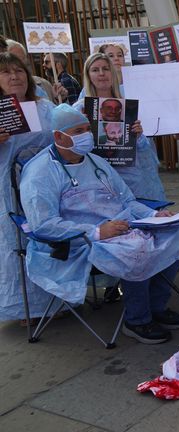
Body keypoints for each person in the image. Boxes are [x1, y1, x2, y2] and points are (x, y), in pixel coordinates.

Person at [19, 104, 179, 344]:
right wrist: (98, 232)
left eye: (88, 129)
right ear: (59, 136)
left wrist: (154, 216)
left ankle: (156, 306)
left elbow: (128, 200)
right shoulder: (40, 172)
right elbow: (43, 224)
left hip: (121, 227)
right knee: (136, 250)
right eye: (79, 131)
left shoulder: (96, 162)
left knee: (175, 235)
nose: (87, 136)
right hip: (79, 239)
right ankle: (137, 319)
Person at [0, 52, 57, 323]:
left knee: (48, 238)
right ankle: (26, 308)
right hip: (8, 192)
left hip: (46, 187)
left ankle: (57, 302)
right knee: (17, 243)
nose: (14, 76)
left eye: (19, 70)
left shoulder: (44, 107)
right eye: (6, 72)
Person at [76, 52, 166, 202]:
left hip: (133, 176)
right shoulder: (80, 109)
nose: (101, 74)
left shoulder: (128, 105)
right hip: (98, 176)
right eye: (95, 70)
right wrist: (80, 130)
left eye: (105, 69)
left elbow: (145, 151)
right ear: (88, 75)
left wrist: (138, 135)